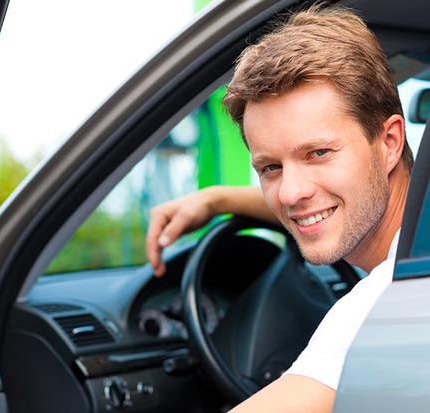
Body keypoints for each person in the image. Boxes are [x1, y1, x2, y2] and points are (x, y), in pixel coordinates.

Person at [145, 5, 413, 412]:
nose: (290, 193)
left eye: (318, 153)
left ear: (389, 142)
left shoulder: (395, 296)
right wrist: (218, 199)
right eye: (270, 167)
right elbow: (328, 203)